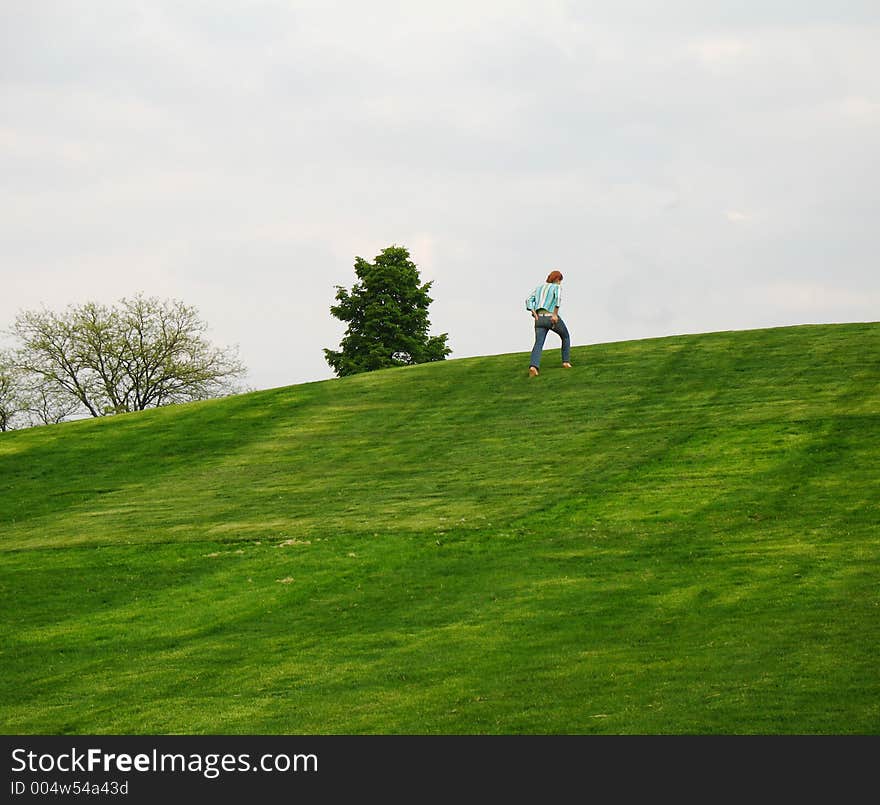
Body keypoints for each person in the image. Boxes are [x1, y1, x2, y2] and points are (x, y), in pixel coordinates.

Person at [525, 270, 571, 377]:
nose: (560, 283)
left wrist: (534, 313)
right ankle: (566, 362)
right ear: (557, 279)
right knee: (565, 336)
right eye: (560, 281)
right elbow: (558, 299)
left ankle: (533, 367)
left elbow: (528, 300)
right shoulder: (556, 287)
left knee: (538, 343)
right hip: (550, 316)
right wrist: (555, 314)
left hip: (539, 319)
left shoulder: (539, 288)